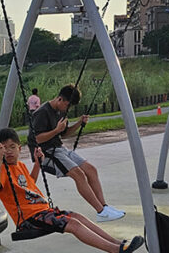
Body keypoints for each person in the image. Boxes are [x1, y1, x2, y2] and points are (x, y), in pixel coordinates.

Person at [0, 128, 145, 253]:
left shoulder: (20, 166)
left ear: (19, 148)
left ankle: (118, 243)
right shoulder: (1, 169)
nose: (9, 151)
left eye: (12, 147)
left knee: (77, 216)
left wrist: (37, 164)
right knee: (73, 224)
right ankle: (115, 251)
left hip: (43, 211)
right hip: (30, 218)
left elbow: (29, 185)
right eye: (5, 148)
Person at [28, 84, 125, 222]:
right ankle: (101, 212)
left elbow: (65, 134)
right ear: (60, 99)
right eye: (68, 105)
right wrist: (56, 130)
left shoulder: (61, 111)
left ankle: (105, 207)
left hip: (60, 149)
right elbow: (35, 138)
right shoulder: (42, 112)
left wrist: (79, 123)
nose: (68, 109)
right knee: (79, 174)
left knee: (91, 170)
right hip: (46, 153)